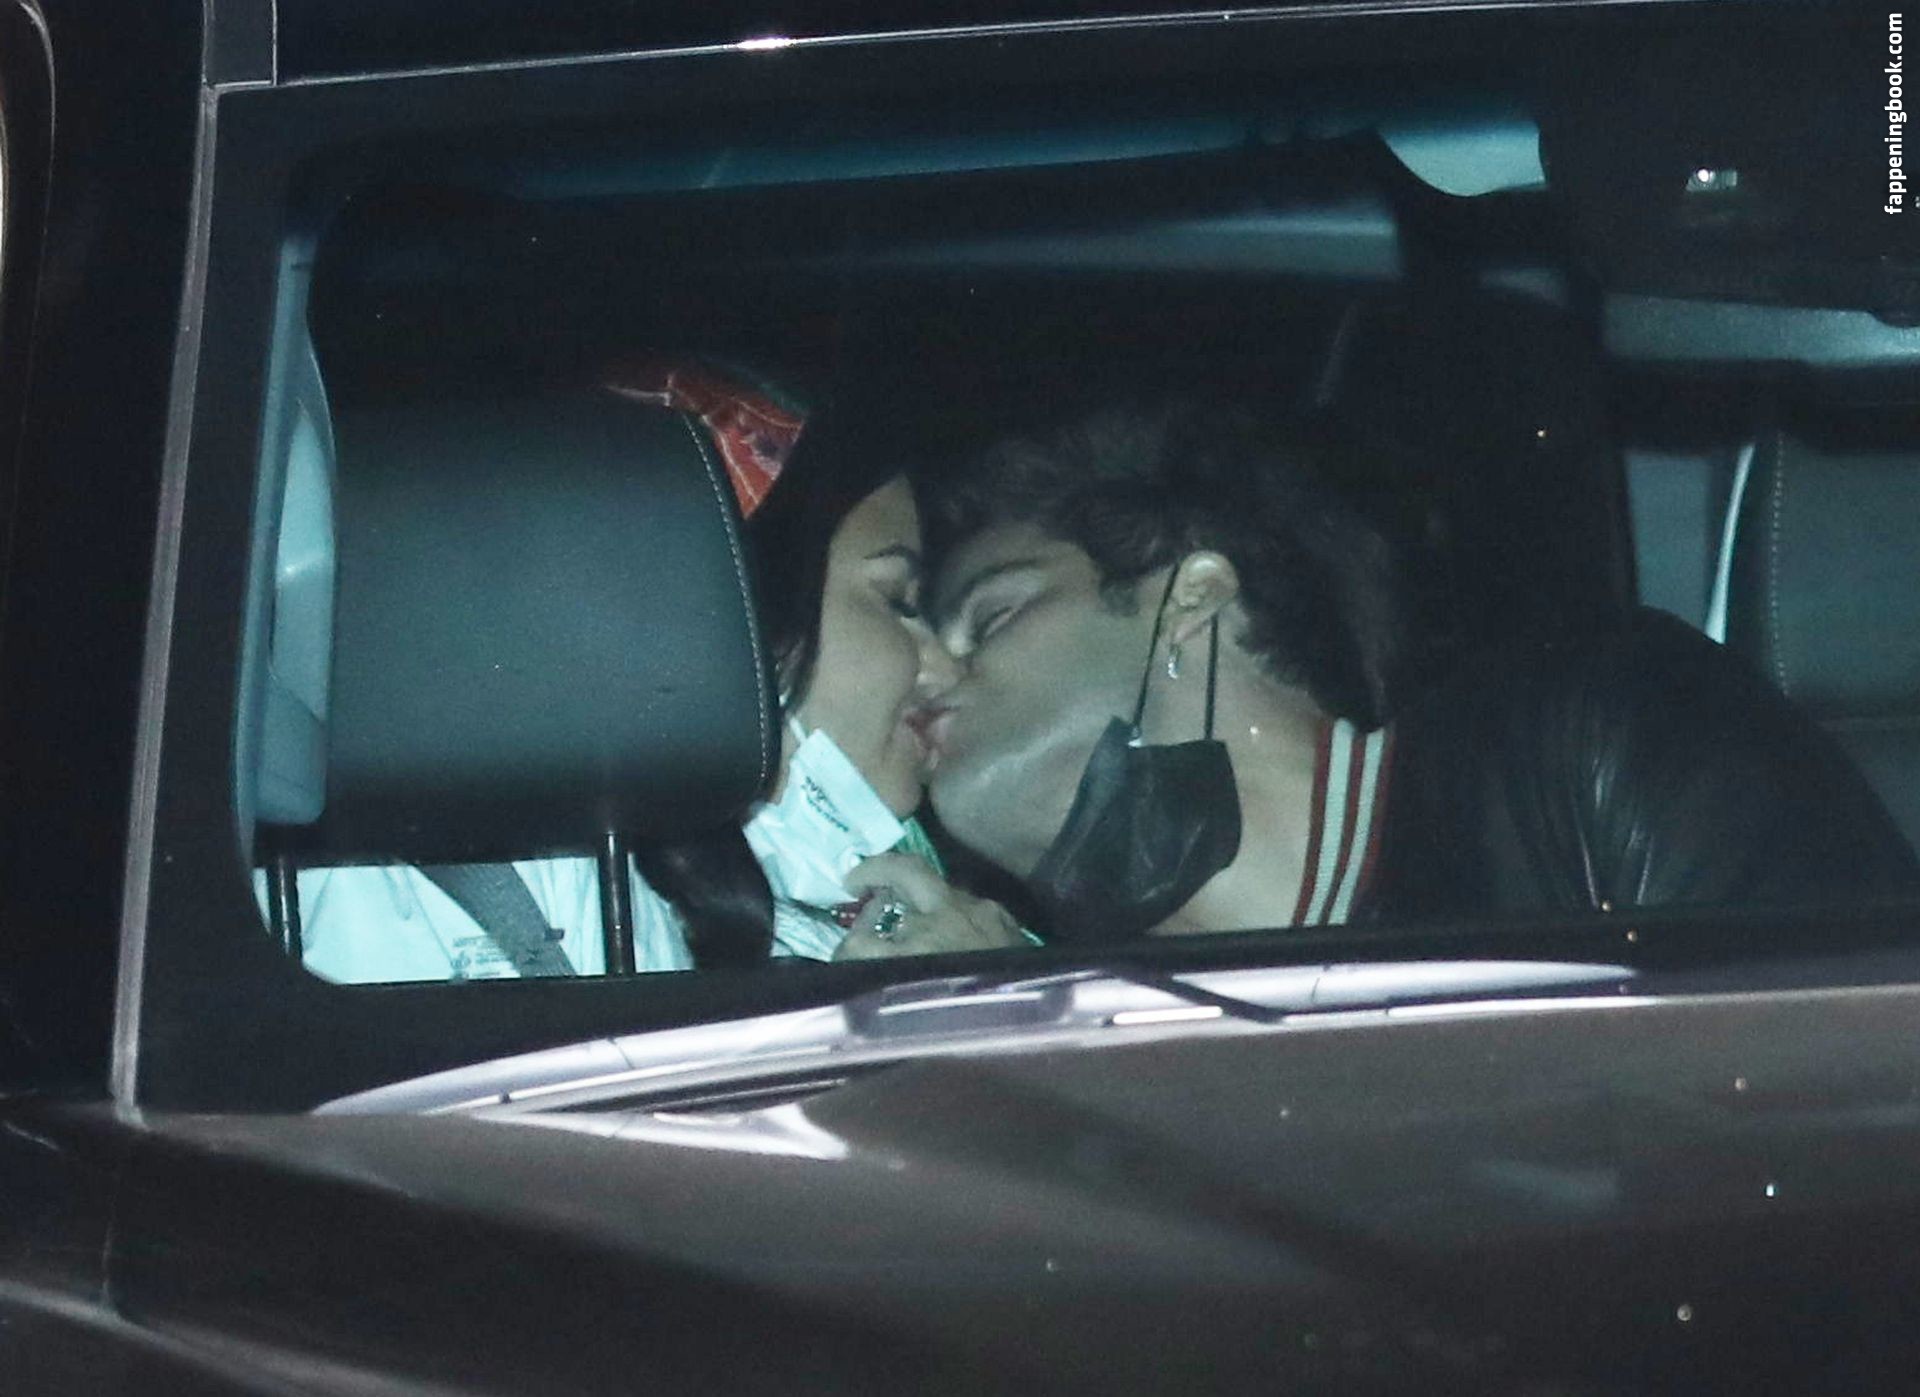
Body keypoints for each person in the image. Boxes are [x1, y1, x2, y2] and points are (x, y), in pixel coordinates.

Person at [916, 396, 1920, 942]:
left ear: (1193, 592)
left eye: (989, 615)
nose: (927, 673)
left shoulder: (1584, 748)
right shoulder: (1079, 1014)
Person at [266, 361, 1027, 981]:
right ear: (724, 611)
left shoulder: (862, 893)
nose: (945, 666)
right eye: (899, 601)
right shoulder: (394, 894)